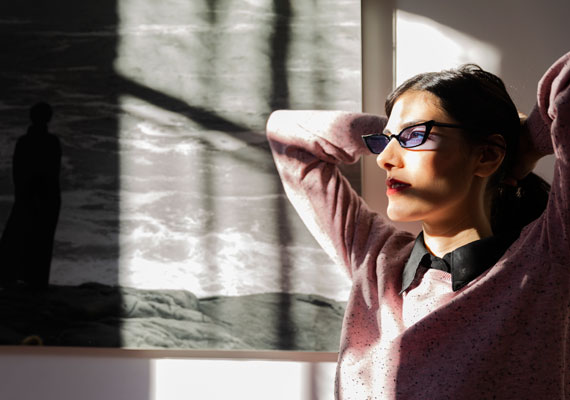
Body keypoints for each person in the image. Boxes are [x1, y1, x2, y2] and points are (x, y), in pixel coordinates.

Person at [266, 52, 569, 399]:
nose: (384, 159)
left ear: (485, 156)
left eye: (414, 138)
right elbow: (286, 134)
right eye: (384, 142)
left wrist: (524, 146)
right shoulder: (377, 259)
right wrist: (396, 129)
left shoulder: (544, 260)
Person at [0, 102, 62, 289]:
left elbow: (17, 173)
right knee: (41, 241)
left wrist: (24, 195)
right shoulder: (52, 142)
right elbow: (53, 172)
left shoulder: (24, 142)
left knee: (19, 237)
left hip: (29, 195)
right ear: (48, 118)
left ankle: (16, 278)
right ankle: (36, 281)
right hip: (46, 196)